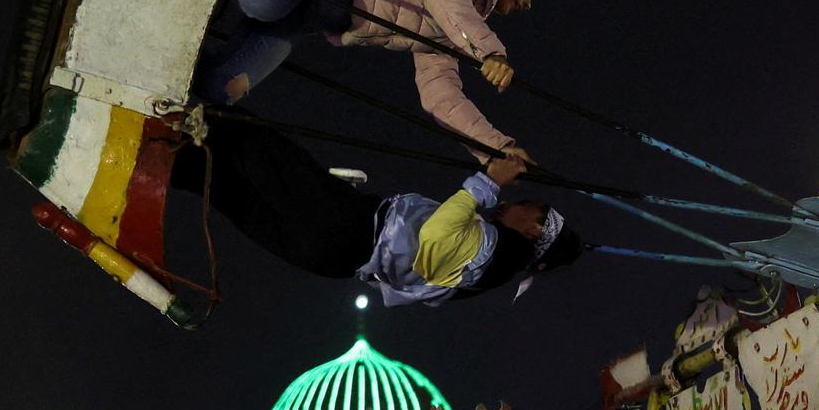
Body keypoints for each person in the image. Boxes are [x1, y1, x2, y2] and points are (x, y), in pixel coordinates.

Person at [194, 0, 541, 161]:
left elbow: (441, 93)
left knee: (221, 89)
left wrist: (495, 149)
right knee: (266, 1)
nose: (528, 3)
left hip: (313, 13)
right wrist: (490, 52)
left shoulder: (457, 28)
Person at [170, 112, 581, 307]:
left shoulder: (495, 251)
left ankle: (183, 118)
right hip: (337, 257)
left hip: (351, 229)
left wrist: (488, 180)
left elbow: (436, 235)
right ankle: (169, 165)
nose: (514, 203)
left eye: (528, 206)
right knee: (231, 193)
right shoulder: (486, 271)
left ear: (534, 229)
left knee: (257, 148)